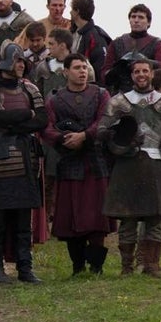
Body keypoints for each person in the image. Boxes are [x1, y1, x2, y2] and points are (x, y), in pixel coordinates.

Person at [99, 57, 161, 277]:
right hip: (126, 161)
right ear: (132, 76)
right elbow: (102, 131)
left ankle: (151, 265)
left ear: (152, 74)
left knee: (155, 218)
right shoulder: (118, 102)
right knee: (127, 217)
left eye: (145, 71)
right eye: (137, 71)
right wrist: (118, 137)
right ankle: (126, 267)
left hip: (156, 162)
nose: (141, 75)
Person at [0, 43, 47, 284]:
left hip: (27, 159)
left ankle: (25, 268)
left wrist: (14, 124)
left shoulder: (30, 88)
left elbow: (42, 120)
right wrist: (26, 115)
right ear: (6, 62)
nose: (21, 64)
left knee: (24, 221)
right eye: (17, 60)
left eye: (22, 60)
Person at [41, 53, 114, 274]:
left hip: (96, 159)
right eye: (77, 68)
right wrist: (64, 139)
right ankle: (78, 266)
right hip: (69, 160)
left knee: (97, 217)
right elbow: (46, 127)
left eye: (84, 67)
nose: (82, 71)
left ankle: (96, 267)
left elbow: (105, 120)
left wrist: (84, 136)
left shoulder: (101, 94)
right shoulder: (55, 99)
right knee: (71, 217)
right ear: (66, 72)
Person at [102, 4, 161, 94]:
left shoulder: (156, 43)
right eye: (133, 17)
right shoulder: (116, 43)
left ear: (148, 22)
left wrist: (145, 62)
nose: (136, 20)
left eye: (141, 17)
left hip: (148, 93)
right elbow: (104, 72)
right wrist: (117, 69)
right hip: (121, 93)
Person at [69, 0, 111, 81]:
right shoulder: (73, 32)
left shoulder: (95, 36)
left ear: (77, 12)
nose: (70, 12)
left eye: (72, 9)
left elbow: (101, 65)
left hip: (91, 85)